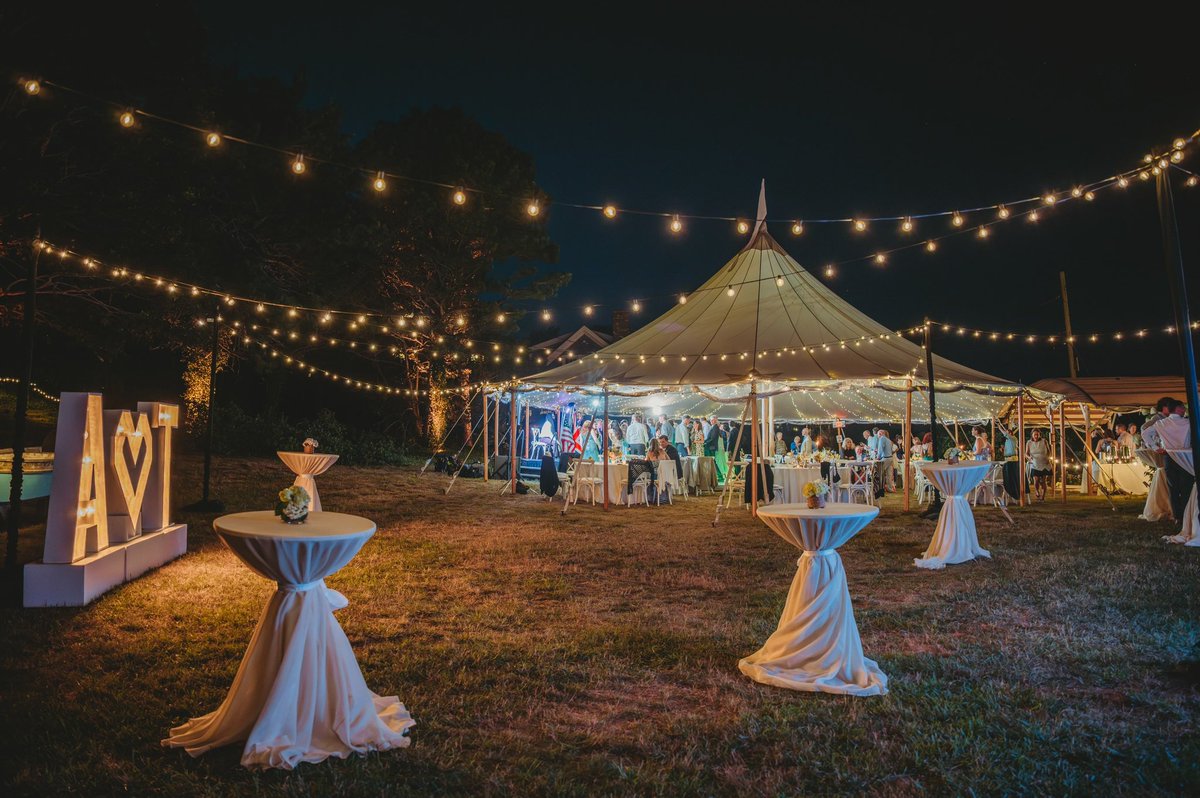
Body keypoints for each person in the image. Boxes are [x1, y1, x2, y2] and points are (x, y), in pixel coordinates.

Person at [1150, 400, 1192, 530]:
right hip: (1185, 457)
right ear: (1177, 409)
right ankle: (1186, 515)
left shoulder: (1161, 423)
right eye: (1183, 408)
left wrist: (1155, 447)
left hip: (1169, 456)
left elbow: (1145, 433)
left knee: (1173, 488)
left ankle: (1177, 517)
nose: (1184, 410)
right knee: (1186, 487)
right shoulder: (1187, 422)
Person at [1026, 429, 1051, 501]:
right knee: (1036, 479)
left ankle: (1043, 496)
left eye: (1037, 434)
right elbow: (1026, 453)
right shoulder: (1029, 442)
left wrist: (1049, 458)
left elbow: (1049, 451)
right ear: (1032, 435)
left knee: (1043, 480)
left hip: (1044, 463)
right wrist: (1029, 457)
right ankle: (1037, 491)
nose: (1036, 436)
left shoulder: (1044, 441)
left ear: (1040, 435)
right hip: (1034, 463)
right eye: (1035, 435)